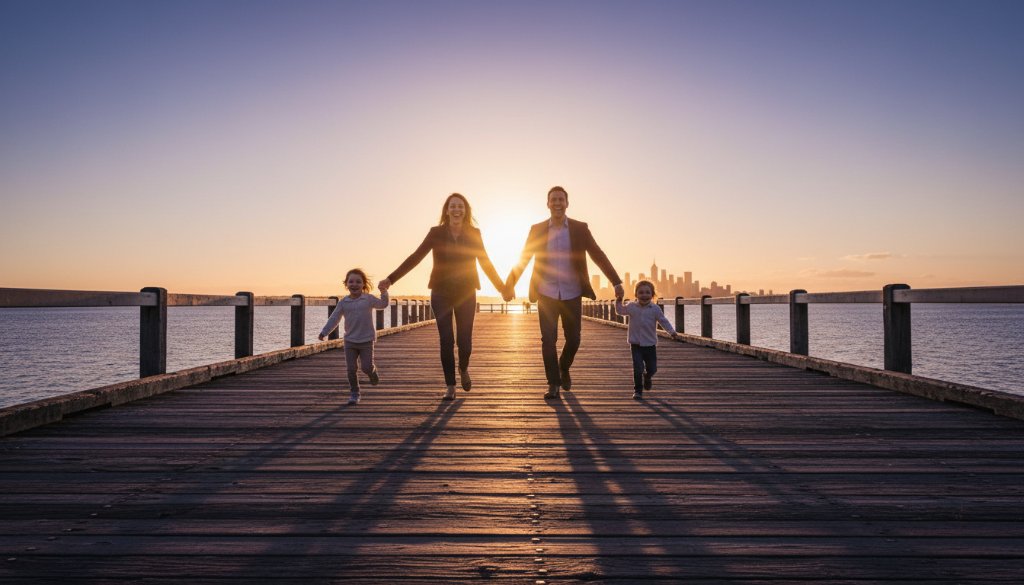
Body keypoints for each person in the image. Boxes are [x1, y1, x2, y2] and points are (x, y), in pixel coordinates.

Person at [379, 193, 508, 400]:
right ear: (447, 211)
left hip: (466, 292)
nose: (457, 209)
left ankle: (463, 367)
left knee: (464, 341)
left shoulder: (474, 233)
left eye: (460, 206)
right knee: (446, 340)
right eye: (452, 206)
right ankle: (450, 385)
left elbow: (485, 262)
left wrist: (502, 288)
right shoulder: (436, 233)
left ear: (465, 211)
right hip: (441, 292)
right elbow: (416, 257)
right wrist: (391, 279)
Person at [505, 185, 624, 399]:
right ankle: (553, 383)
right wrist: (509, 284)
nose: (557, 203)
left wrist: (616, 281)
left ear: (567, 204)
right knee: (548, 340)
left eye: (561, 200)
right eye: (554, 200)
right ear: (548, 204)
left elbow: (598, 254)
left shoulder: (580, 228)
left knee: (574, 339)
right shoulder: (537, 229)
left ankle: (563, 366)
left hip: (572, 292)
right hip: (546, 292)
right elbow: (524, 258)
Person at [318, 268, 390, 405]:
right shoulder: (343, 302)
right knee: (351, 369)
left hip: (366, 340)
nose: (354, 284)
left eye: (358, 282)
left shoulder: (368, 299)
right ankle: (355, 393)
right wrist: (324, 332)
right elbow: (334, 318)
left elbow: (383, 304)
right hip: (350, 341)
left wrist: (384, 292)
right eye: (351, 281)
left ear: (363, 284)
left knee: (366, 367)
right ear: (346, 284)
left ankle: (372, 372)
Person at [615, 280, 679, 400]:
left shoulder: (655, 309)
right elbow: (620, 311)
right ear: (636, 295)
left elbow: (663, 321)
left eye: (647, 292)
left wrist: (671, 332)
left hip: (650, 344)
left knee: (653, 368)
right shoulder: (631, 307)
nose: (644, 295)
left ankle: (648, 377)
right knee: (637, 367)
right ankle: (638, 390)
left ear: (652, 295)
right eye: (641, 292)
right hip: (636, 344)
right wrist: (619, 301)